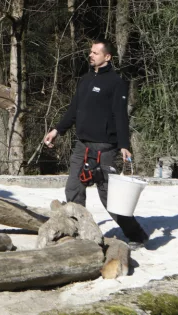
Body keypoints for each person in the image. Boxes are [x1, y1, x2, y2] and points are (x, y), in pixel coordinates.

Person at [42, 39, 150, 247]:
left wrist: (124, 144)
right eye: (90, 52)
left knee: (110, 196)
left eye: (95, 53)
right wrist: (57, 130)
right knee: (73, 190)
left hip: (104, 148)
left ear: (107, 57)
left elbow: (120, 115)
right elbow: (73, 110)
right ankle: (77, 233)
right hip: (82, 145)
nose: (91, 55)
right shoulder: (84, 80)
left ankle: (137, 235)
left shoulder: (116, 83)